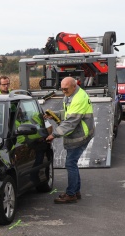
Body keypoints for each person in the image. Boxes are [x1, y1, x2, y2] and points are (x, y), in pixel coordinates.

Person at [45, 76, 94, 204]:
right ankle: (75, 191)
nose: (63, 92)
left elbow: (71, 122)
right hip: (80, 132)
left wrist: (54, 135)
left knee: (70, 163)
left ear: (74, 86)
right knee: (72, 163)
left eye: (66, 89)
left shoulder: (78, 99)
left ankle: (71, 194)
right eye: (62, 89)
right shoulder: (72, 94)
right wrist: (54, 114)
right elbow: (68, 113)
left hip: (80, 135)